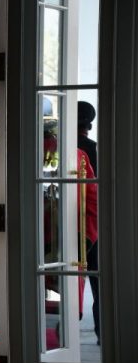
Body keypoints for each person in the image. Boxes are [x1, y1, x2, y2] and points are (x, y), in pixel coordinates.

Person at [77, 100, 100, 344]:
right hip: (92, 224)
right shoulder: (93, 149)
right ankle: (102, 332)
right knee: (97, 282)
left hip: (65, 224)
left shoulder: (57, 148)